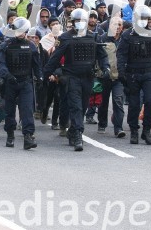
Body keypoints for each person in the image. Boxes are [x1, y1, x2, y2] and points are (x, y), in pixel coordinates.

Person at [44, 9, 110, 151]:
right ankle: (78, 134)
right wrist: (47, 73)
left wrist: (106, 68)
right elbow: (55, 57)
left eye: (82, 21)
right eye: (77, 21)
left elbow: (102, 55)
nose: (80, 23)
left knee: (84, 106)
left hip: (87, 77)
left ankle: (73, 130)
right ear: (73, 22)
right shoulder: (65, 37)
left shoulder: (93, 37)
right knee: (76, 107)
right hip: (71, 77)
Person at [117, 5, 151, 145]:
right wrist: (121, 73)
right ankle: (134, 131)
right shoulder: (127, 35)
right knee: (134, 104)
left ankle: (147, 130)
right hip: (132, 74)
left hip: (148, 73)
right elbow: (121, 55)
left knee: (150, 101)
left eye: (146, 18)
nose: (143, 21)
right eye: (141, 18)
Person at [0, 18, 42, 150]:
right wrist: (7, 75)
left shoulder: (31, 46)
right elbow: (0, 63)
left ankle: (28, 136)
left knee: (27, 110)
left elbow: (37, 65)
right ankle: (10, 134)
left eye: (22, 31)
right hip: (10, 82)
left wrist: (40, 78)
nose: (19, 33)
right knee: (9, 111)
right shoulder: (6, 45)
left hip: (25, 82)